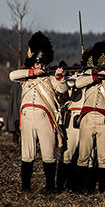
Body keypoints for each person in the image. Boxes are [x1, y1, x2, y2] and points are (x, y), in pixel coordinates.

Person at [9, 32, 67, 192]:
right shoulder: (26, 75)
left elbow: (62, 88)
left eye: (41, 63)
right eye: (36, 63)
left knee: (49, 154)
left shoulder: (50, 77)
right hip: (27, 119)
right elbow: (12, 75)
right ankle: (25, 186)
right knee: (27, 155)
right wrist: (31, 73)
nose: (39, 66)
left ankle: (50, 186)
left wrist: (60, 77)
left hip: (45, 118)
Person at [73, 41, 105, 193]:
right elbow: (77, 82)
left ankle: (102, 188)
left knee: (104, 158)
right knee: (83, 156)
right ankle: (81, 187)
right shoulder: (89, 74)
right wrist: (95, 75)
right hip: (87, 118)